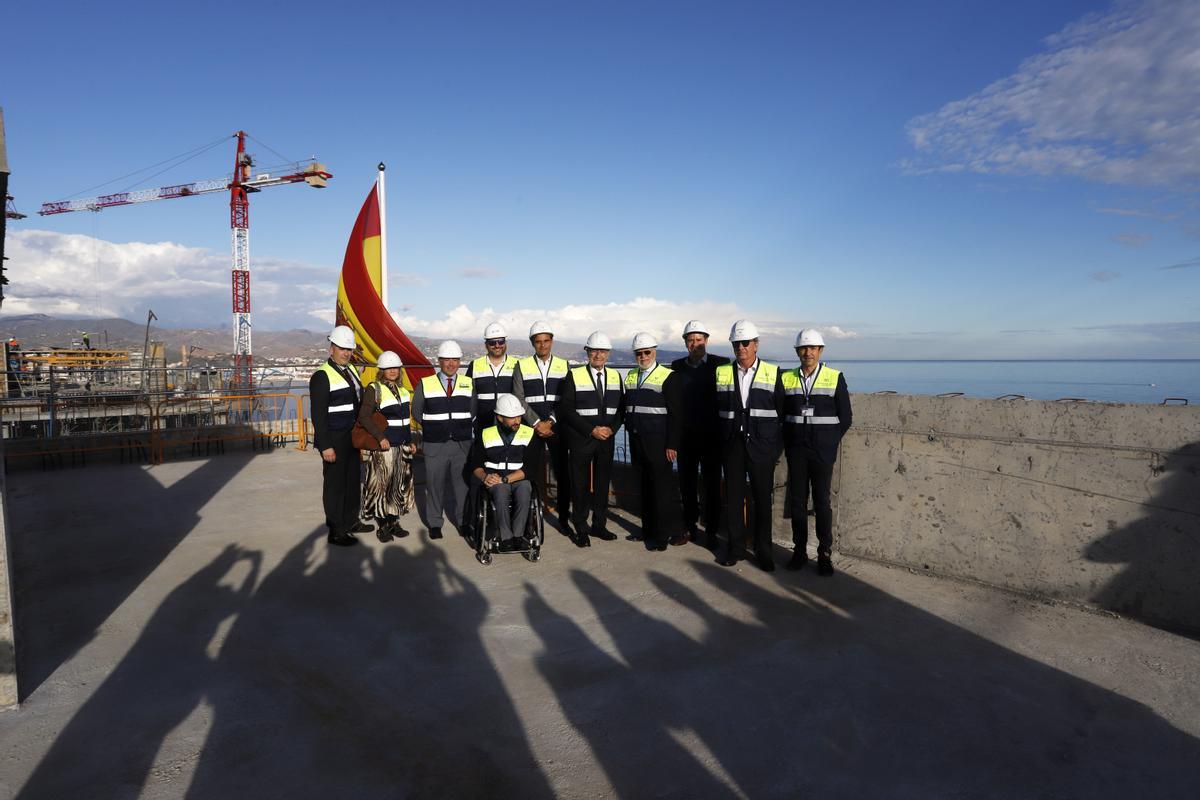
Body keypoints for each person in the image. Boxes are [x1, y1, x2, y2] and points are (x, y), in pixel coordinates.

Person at [714, 319, 785, 571]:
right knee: (733, 499)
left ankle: (763, 551)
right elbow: (715, 411)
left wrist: (775, 449)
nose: (740, 347)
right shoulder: (722, 373)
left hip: (762, 448)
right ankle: (735, 549)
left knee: (761, 501)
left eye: (745, 343)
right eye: (736, 343)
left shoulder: (774, 373)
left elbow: (783, 415)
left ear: (756, 344)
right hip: (732, 447)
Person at [782, 329, 852, 576]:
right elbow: (781, 414)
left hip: (822, 452)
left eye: (813, 348)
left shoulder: (834, 377)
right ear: (797, 351)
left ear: (820, 351)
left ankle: (824, 553)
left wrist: (828, 441)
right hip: (797, 450)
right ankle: (799, 551)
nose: (808, 352)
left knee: (822, 502)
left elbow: (846, 417)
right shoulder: (787, 378)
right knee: (798, 502)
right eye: (803, 348)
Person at [558, 331, 624, 547]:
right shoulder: (574, 375)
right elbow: (566, 410)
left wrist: (612, 429)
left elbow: (622, 409)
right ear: (587, 352)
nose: (598, 355)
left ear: (608, 353)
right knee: (580, 485)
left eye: (602, 351)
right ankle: (581, 526)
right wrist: (591, 430)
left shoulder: (615, 376)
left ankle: (599, 525)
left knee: (602, 484)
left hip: (606, 439)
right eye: (594, 350)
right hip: (581, 439)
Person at [309, 325, 372, 547]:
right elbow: (318, 415)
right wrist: (325, 446)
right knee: (335, 484)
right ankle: (336, 529)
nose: (346, 353)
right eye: (341, 348)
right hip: (334, 439)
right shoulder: (321, 376)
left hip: (351, 437)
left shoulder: (352, 370)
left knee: (353, 480)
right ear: (331, 349)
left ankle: (351, 521)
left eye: (349, 349)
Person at [670, 320, 729, 549]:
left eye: (699, 340)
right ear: (685, 343)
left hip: (713, 439)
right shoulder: (676, 366)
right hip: (686, 439)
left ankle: (712, 531)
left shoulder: (721, 364)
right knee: (687, 485)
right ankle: (689, 527)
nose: (695, 344)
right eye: (691, 340)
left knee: (712, 486)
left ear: (707, 341)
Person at [622, 332, 683, 551]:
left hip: (659, 443)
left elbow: (676, 414)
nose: (643, 356)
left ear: (654, 352)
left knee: (661, 491)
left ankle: (661, 536)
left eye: (646, 352)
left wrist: (672, 444)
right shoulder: (630, 375)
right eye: (639, 353)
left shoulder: (668, 376)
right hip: (637, 439)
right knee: (644, 488)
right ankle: (646, 530)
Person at [412, 340, 475, 539]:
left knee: (462, 486)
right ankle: (435, 523)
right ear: (439, 361)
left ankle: (463, 522)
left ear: (459, 362)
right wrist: (435, 427)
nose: (451, 364)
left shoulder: (468, 383)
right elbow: (417, 411)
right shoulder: (426, 383)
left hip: (461, 444)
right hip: (435, 444)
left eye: (455, 360)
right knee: (434, 485)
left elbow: (473, 411)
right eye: (446, 360)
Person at [513, 320, 572, 527]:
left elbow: (566, 399)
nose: (543, 345)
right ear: (532, 343)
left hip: (557, 429)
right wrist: (537, 423)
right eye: (538, 341)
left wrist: (551, 421)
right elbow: (518, 398)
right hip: (532, 429)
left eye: (546, 341)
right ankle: (530, 515)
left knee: (562, 473)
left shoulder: (564, 365)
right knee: (529, 472)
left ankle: (563, 518)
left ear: (552, 341)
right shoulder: (522, 366)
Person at [468, 394, 544, 552]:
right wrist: (485, 477)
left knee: (525, 490)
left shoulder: (529, 434)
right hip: (495, 480)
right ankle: (506, 537)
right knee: (501, 492)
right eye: (512, 417)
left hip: (518, 477)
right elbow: (475, 464)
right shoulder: (485, 434)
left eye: (519, 416)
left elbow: (531, 468)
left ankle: (518, 536)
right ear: (500, 417)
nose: (517, 420)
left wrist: (504, 479)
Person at [357, 350, 416, 542]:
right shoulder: (374, 389)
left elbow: (406, 421)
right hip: (384, 448)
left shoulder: (404, 391)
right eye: (388, 368)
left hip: (402, 446)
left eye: (395, 368)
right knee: (381, 488)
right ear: (381, 370)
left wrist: (410, 441)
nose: (392, 371)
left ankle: (393, 521)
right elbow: (364, 417)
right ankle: (382, 526)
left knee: (397, 486)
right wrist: (380, 437)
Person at [466, 322, 516, 433]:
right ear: (486, 344)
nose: (497, 345)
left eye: (501, 341)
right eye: (492, 342)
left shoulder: (516, 365)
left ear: (505, 342)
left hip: (509, 424)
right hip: (482, 424)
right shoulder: (475, 365)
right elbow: (468, 395)